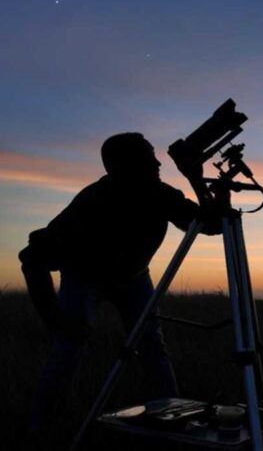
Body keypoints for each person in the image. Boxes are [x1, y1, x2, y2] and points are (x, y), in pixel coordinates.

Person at [19, 132, 220, 433]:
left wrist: (196, 178)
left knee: (152, 345)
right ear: (122, 167)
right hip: (84, 278)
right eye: (147, 157)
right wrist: (55, 321)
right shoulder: (90, 204)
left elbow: (212, 224)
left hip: (135, 278)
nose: (157, 163)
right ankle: (41, 427)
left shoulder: (161, 194)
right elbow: (32, 259)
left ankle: (172, 419)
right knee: (69, 346)